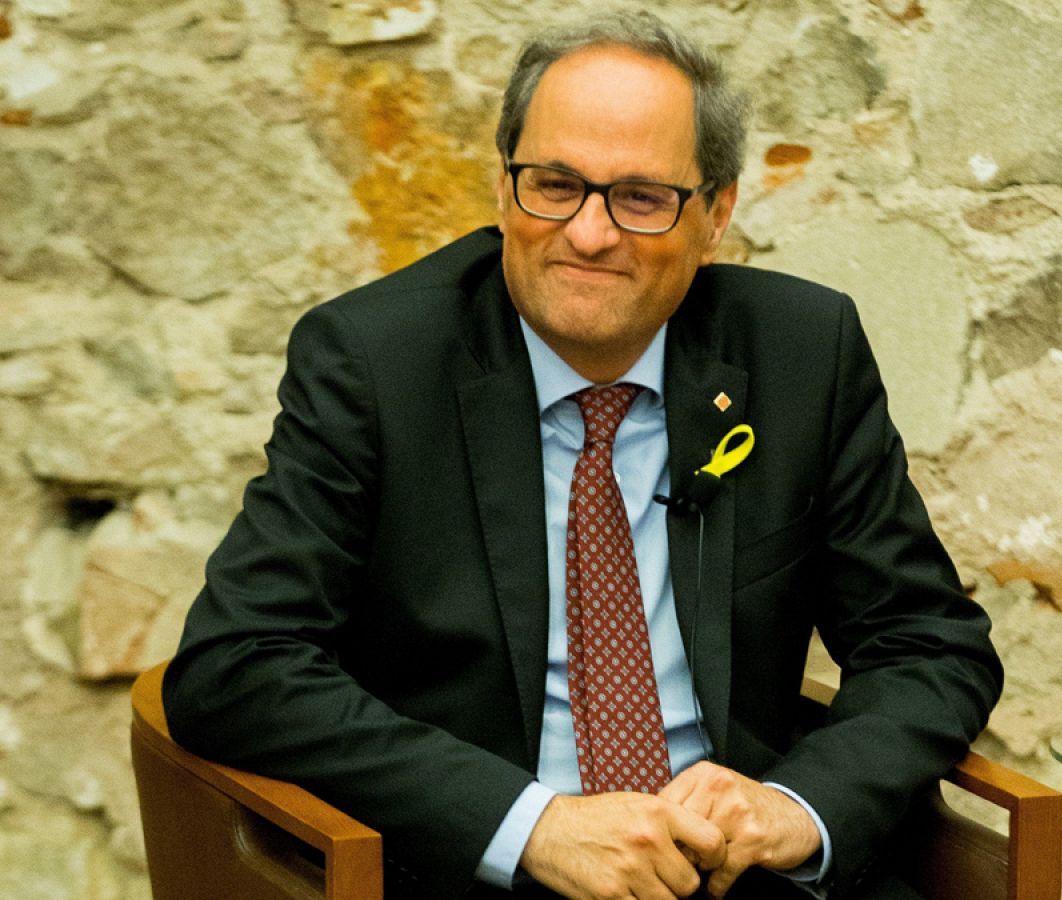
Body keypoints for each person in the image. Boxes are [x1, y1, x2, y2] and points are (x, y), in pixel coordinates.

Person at [163, 10, 1002, 900]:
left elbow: (928, 643)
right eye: (555, 184)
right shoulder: (374, 363)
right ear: (501, 186)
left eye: (641, 198)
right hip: (489, 870)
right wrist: (531, 825)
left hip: (733, 873)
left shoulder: (801, 352)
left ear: (714, 217)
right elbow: (236, 664)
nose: (590, 234)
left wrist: (801, 805)